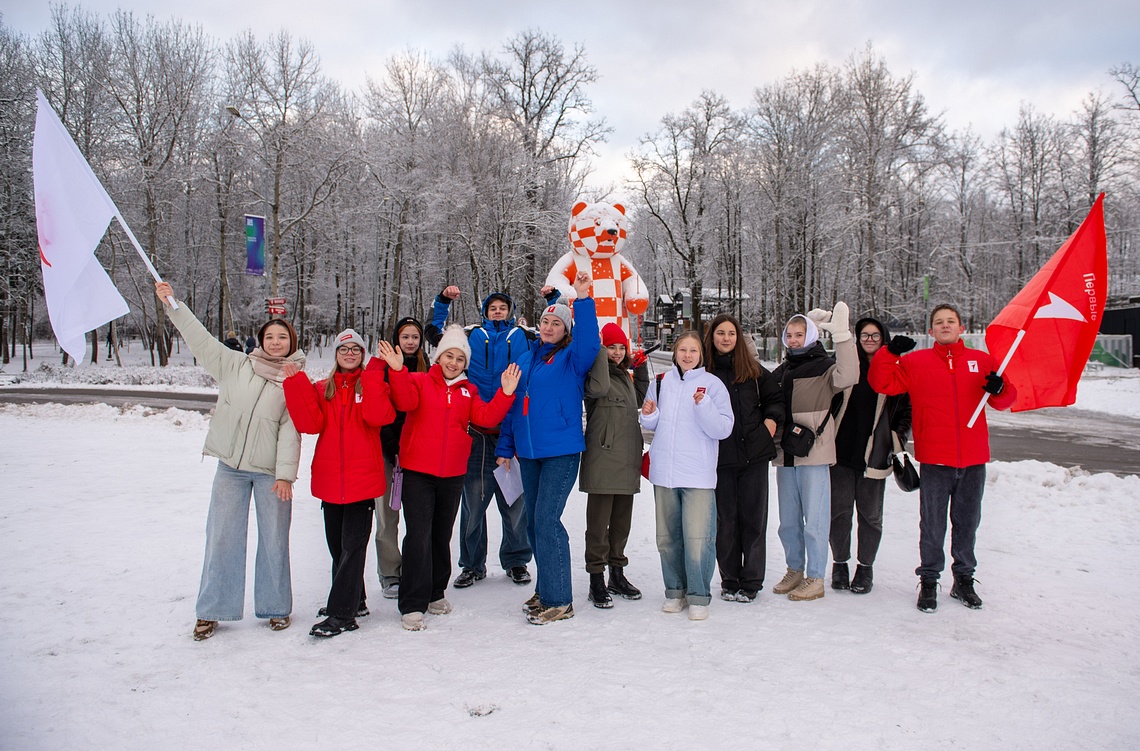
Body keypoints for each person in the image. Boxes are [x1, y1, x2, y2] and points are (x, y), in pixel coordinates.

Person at [155, 281, 303, 642]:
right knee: (221, 538)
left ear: (292, 343)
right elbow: (200, 339)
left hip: (270, 474)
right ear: (261, 340)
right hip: (230, 470)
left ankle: (275, 607)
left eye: (282, 338)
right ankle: (211, 611)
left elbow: (292, 429)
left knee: (274, 540)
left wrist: (285, 475)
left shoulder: (294, 380)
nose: (275, 342)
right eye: (270, 337)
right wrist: (174, 305)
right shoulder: (236, 365)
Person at [868, 304, 1016, 612]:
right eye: (939, 322)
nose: (945, 325)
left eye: (951, 321)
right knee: (932, 524)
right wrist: (890, 352)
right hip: (935, 459)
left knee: (967, 522)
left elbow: (1006, 399)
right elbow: (881, 382)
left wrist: (1000, 389)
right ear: (930, 331)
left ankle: (963, 580)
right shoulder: (916, 363)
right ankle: (929, 581)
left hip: (973, 459)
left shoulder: (982, 361)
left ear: (962, 328)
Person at [376, 327, 519, 630]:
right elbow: (404, 402)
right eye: (448, 356)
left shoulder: (470, 391)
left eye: (459, 358)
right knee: (418, 535)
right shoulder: (419, 381)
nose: (453, 363)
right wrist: (399, 371)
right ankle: (412, 603)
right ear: (438, 357)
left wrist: (506, 394)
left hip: (453, 473)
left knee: (441, 534)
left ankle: (435, 592)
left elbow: (485, 418)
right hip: (418, 472)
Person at [496, 272, 599, 625]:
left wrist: (582, 301)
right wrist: (505, 447)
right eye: (545, 321)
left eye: (556, 323)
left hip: (561, 451)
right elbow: (513, 407)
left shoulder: (572, 358)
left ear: (566, 329)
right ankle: (547, 588)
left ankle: (559, 600)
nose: (548, 327)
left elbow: (590, 344)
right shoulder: (526, 359)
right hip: (528, 453)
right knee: (533, 526)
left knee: (546, 520)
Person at [283, 329, 395, 637]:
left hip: (361, 484)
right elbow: (310, 424)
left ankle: (342, 614)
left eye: (355, 350)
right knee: (339, 549)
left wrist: (373, 376)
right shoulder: (323, 389)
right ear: (336, 354)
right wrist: (295, 383)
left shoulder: (372, 385)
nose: (349, 354)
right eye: (343, 349)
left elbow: (379, 417)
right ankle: (355, 599)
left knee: (351, 547)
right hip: (331, 482)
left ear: (362, 355)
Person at [429, 286, 535, 589]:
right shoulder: (471, 334)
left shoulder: (524, 336)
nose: (498, 311)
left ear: (510, 311)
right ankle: (473, 565)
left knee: (514, 502)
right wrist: (443, 301)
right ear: (485, 312)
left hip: (511, 432)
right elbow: (437, 336)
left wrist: (553, 301)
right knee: (473, 503)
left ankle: (516, 561)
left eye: (503, 307)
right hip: (476, 433)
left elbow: (560, 338)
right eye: (493, 307)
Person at [640, 330, 735, 621]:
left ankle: (698, 595)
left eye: (693, 351)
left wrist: (703, 405)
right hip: (665, 473)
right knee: (667, 538)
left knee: (698, 537)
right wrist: (648, 413)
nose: (688, 355)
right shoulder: (661, 382)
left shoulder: (713, 385)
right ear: (675, 353)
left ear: (701, 355)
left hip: (697, 476)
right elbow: (653, 423)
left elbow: (722, 429)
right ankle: (674, 590)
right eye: (683, 350)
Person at [770, 304, 858, 602]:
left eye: (800, 334)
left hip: (814, 454)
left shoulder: (824, 366)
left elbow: (849, 375)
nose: (794, 340)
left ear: (811, 336)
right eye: (790, 335)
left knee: (816, 519)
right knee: (789, 519)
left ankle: (816, 576)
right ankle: (794, 568)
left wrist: (843, 336)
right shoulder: (782, 370)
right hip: (786, 454)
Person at [828, 317, 912, 595]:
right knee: (838, 513)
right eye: (865, 335)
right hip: (841, 452)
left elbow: (905, 411)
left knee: (870, 515)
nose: (869, 340)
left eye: (875, 335)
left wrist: (896, 438)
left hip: (874, 453)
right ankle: (840, 563)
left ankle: (865, 567)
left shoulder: (896, 369)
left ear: (884, 337)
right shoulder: (846, 365)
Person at [703, 314, 784, 603]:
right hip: (720, 456)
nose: (726, 338)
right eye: (721, 333)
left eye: (731, 333)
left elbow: (776, 401)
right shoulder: (705, 372)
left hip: (754, 454)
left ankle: (751, 581)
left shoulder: (753, 370)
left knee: (753, 519)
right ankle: (729, 579)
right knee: (726, 521)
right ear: (711, 337)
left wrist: (769, 426)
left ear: (738, 338)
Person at [580, 323, 650, 608]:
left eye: (622, 348)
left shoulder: (626, 376)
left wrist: (642, 370)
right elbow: (599, 389)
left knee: (621, 523)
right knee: (598, 525)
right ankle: (596, 578)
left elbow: (642, 401)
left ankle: (616, 574)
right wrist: (597, 352)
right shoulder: (597, 374)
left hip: (626, 458)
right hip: (603, 458)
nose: (618, 353)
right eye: (612, 347)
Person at [367, 315, 436, 601]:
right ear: (397, 338)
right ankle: (390, 571)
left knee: (418, 515)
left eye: (415, 337)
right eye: (405, 336)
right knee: (387, 514)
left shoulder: (427, 367)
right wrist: (390, 443)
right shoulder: (382, 367)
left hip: (417, 451)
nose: (410, 342)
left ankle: (416, 568)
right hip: (388, 449)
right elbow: (377, 406)